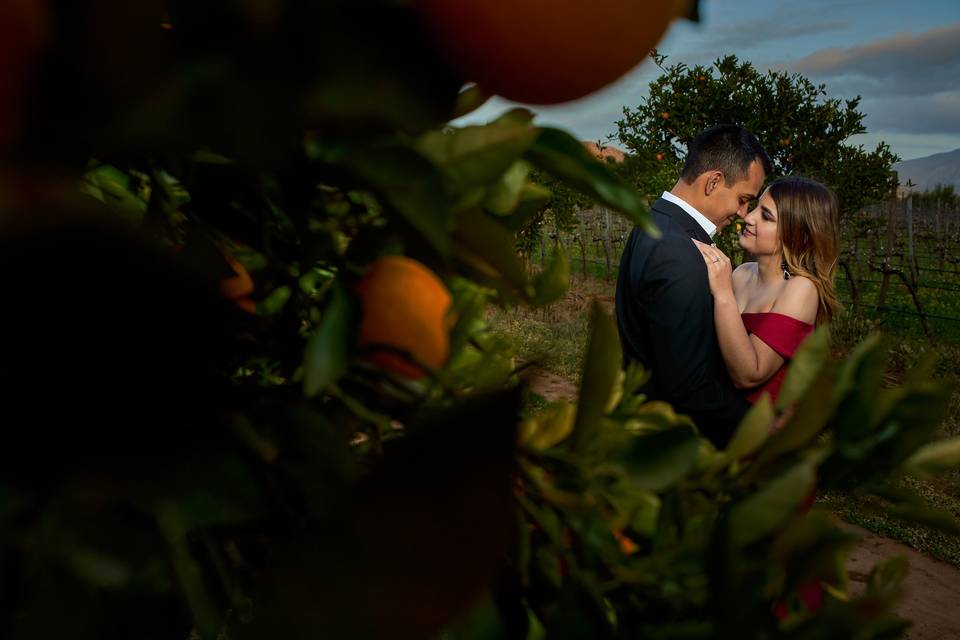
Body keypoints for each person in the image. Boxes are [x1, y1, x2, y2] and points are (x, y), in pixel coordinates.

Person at [615, 124, 772, 447]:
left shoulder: (656, 222)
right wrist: (763, 429)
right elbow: (688, 387)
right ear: (713, 181)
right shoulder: (680, 253)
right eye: (743, 200)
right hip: (668, 443)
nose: (743, 214)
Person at [693, 175, 840, 406]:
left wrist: (723, 295)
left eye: (766, 216)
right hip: (717, 411)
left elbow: (749, 375)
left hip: (757, 428)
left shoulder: (801, 289)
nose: (748, 218)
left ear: (799, 235)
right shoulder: (742, 273)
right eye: (756, 207)